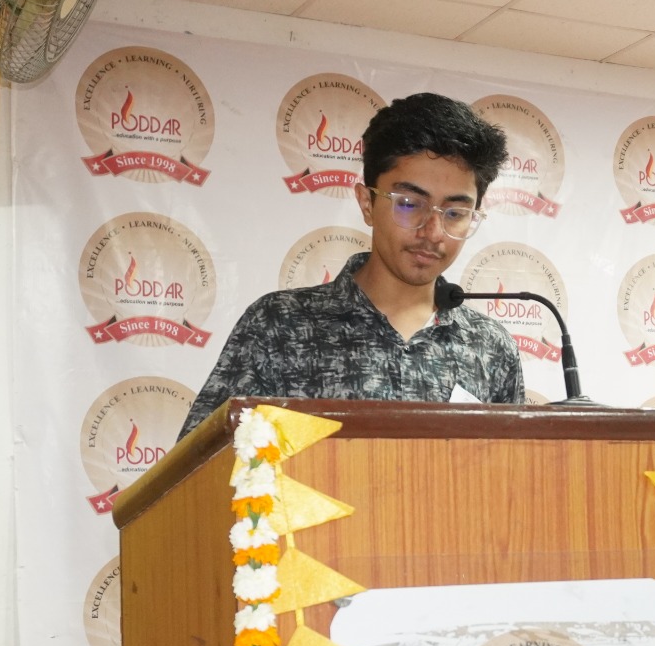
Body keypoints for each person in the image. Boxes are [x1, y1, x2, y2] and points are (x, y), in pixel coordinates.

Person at [180, 92, 523, 437]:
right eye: (409, 204)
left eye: (455, 213)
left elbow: (514, 466)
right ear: (366, 203)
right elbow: (200, 459)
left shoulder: (489, 347)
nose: (432, 232)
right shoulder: (279, 325)